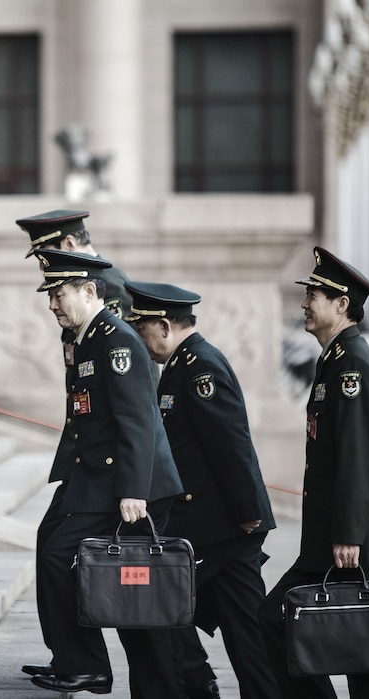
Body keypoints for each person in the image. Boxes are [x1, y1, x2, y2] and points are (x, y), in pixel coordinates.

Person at [25, 250, 184, 697]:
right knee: (50, 544)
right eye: (50, 295)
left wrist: (133, 491)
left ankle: (87, 666)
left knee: (71, 562)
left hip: (127, 485)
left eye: (59, 294)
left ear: (90, 291)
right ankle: (72, 658)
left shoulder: (116, 341)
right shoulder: (89, 337)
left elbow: (138, 420)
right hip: (93, 475)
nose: (52, 304)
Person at [257, 246, 369, 699]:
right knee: (365, 649)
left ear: (342, 304)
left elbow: (358, 457)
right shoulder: (336, 360)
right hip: (336, 536)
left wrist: (348, 534)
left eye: (314, 295)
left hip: (350, 540)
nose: (304, 303)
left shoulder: (352, 367)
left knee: (368, 650)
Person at [126, 280, 279, 699]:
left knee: (170, 610)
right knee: (238, 632)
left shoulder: (201, 368)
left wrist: (248, 512)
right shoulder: (181, 365)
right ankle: (197, 681)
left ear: (162, 325)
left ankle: (195, 683)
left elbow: (230, 445)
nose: (142, 343)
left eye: (142, 332)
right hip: (210, 526)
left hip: (225, 528)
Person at [16, 209, 132, 318]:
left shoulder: (109, 284)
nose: (42, 266)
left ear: (69, 243)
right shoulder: (90, 279)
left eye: (47, 255)